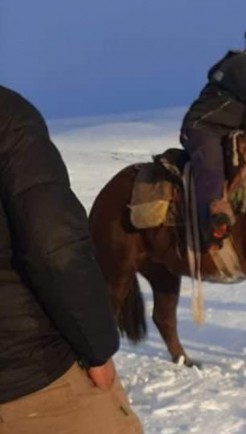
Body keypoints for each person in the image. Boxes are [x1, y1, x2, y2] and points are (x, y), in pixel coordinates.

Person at [0, 86, 143, 433]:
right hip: (31, 375)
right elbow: (53, 244)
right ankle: (214, 212)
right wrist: (97, 348)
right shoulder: (8, 117)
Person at [180, 26, 246, 248]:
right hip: (203, 128)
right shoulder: (241, 64)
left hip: (227, 132)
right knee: (212, 166)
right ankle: (211, 227)